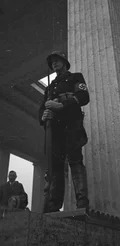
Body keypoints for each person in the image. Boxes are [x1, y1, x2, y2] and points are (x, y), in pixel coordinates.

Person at [39, 51, 90, 213]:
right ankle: (54, 206)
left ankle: (82, 202)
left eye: (57, 60)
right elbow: (42, 108)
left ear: (64, 62)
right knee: (56, 167)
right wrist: (43, 116)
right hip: (55, 130)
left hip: (72, 126)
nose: (54, 63)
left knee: (75, 161)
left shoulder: (76, 77)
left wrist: (62, 104)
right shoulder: (49, 87)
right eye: (52, 62)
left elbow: (83, 96)